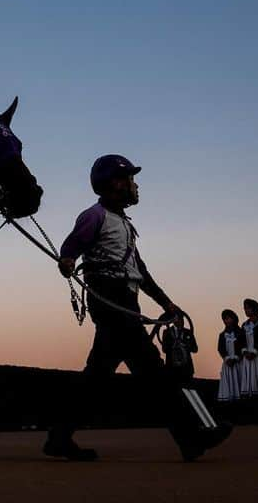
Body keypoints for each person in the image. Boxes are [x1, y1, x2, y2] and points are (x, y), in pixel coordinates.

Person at [43, 154, 231, 462]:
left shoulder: (124, 224)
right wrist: (67, 260)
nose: (135, 184)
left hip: (124, 300)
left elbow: (139, 271)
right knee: (154, 372)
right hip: (109, 299)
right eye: (130, 178)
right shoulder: (94, 215)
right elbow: (73, 245)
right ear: (115, 183)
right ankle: (194, 435)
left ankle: (59, 437)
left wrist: (166, 302)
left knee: (101, 376)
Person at [161, 311, 198, 387]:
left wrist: (185, 345)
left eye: (182, 319)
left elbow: (195, 349)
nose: (181, 321)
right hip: (171, 369)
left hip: (186, 370)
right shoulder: (166, 332)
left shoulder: (188, 332)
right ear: (173, 320)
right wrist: (173, 346)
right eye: (178, 319)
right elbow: (164, 349)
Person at [217, 309, 245, 404]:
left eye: (228, 318)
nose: (226, 321)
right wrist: (227, 358)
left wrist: (237, 358)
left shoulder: (241, 332)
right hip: (228, 364)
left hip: (239, 363)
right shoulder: (222, 335)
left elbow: (243, 346)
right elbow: (220, 349)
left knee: (241, 383)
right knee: (229, 386)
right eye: (224, 319)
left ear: (233, 318)